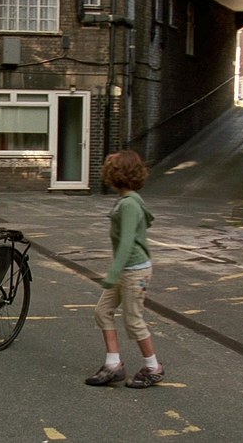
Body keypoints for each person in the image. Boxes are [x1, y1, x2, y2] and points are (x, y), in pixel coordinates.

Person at [86, 150, 164, 388]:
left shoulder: (129, 204)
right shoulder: (128, 200)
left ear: (117, 175)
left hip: (134, 270)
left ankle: (154, 367)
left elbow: (128, 241)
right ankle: (113, 365)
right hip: (127, 269)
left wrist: (113, 273)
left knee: (133, 320)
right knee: (103, 311)